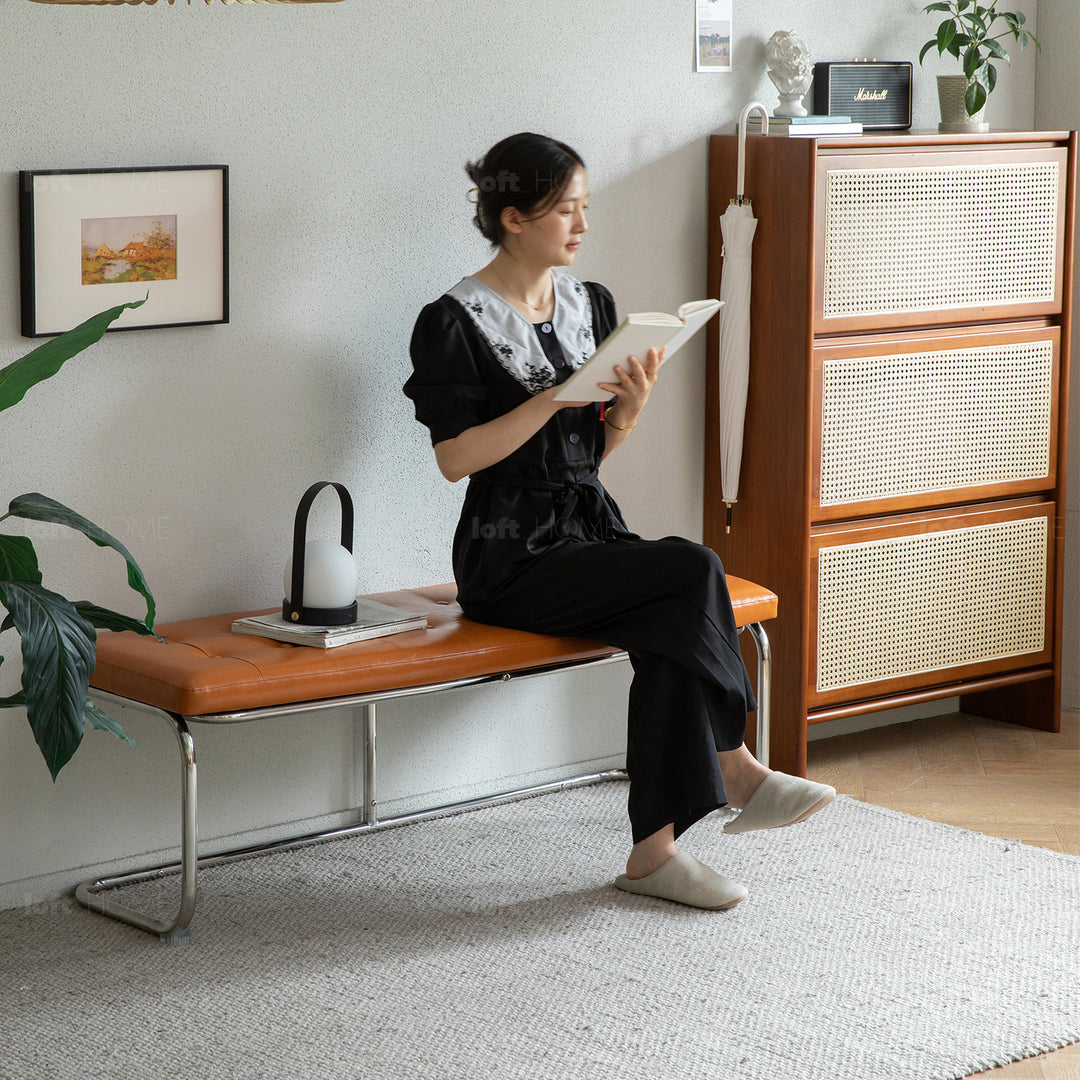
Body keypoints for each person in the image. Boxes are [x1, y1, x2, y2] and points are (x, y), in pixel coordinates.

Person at [404, 132, 834, 910]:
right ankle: (735, 769)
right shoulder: (454, 321)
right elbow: (456, 459)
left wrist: (628, 411)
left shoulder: (589, 305)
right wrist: (552, 399)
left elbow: (588, 455)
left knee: (672, 615)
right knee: (692, 569)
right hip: (511, 556)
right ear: (512, 218)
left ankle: (654, 854)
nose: (582, 223)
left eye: (584, 206)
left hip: (588, 530)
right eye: (565, 209)